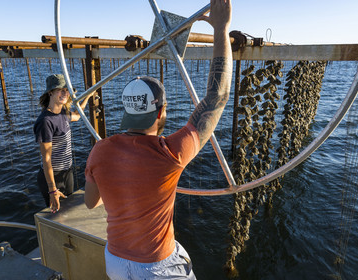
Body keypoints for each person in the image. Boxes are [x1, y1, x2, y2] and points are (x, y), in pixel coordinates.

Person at [84, 0, 232, 278]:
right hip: (157, 268)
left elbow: (91, 202)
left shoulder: (99, 152)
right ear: (161, 111)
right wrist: (221, 29)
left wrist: (121, 185)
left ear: (126, 110)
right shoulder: (171, 154)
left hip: (115, 260)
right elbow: (217, 98)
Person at [34, 74, 91, 213]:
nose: (65, 93)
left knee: (69, 212)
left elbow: (77, 116)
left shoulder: (63, 113)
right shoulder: (45, 121)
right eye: (60, 90)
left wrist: (88, 96)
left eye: (67, 90)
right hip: (55, 176)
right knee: (57, 214)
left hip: (67, 172)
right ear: (50, 92)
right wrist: (52, 190)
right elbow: (46, 159)